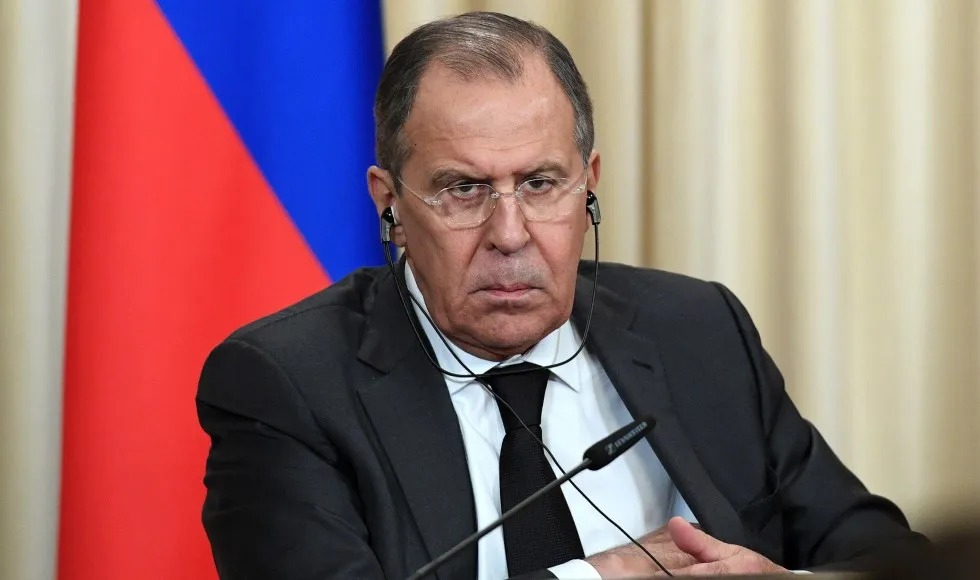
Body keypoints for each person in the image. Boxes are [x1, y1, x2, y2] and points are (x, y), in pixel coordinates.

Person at [196, 11, 925, 580]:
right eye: (464, 189)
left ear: (589, 184)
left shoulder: (700, 329)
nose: (510, 234)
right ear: (390, 203)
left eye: (541, 184)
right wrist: (601, 574)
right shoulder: (286, 384)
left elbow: (888, 558)